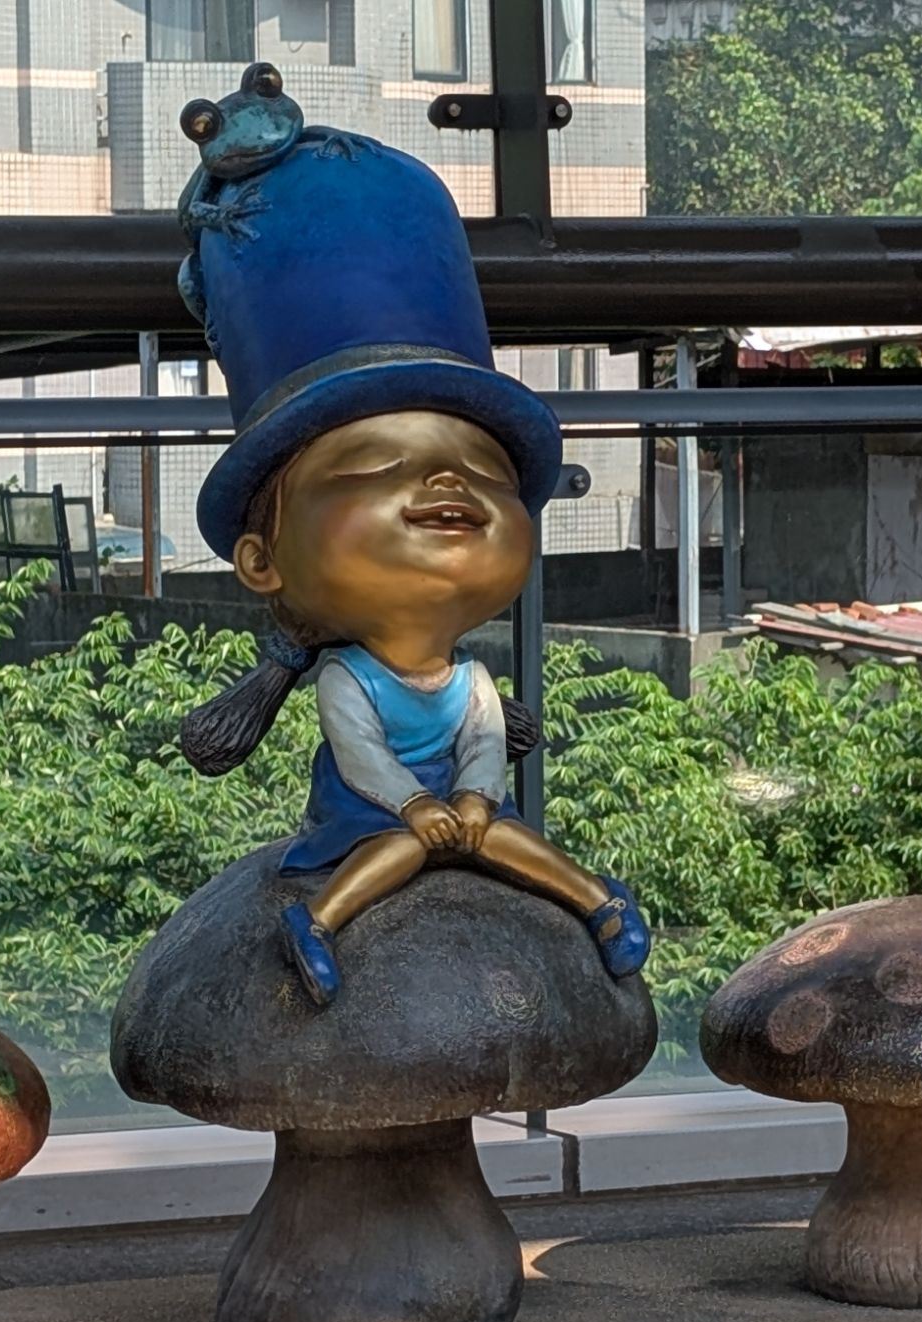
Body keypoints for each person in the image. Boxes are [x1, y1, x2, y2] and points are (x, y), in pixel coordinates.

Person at [170, 75, 650, 1007]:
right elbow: (362, 755)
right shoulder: (348, 680)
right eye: (374, 465)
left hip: (456, 808)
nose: (447, 484)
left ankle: (601, 905)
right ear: (262, 559)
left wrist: (471, 796)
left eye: (484, 470)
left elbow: (484, 744)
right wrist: (420, 806)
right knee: (394, 848)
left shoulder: (467, 679)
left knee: (507, 833)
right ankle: (319, 921)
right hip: (376, 812)